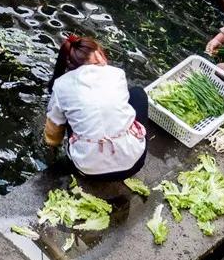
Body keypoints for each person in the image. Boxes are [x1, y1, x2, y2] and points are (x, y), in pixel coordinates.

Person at [42, 35, 148, 181]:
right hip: (134, 164)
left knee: (65, 114)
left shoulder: (61, 85)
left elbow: (53, 127)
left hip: (87, 171)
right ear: (98, 54)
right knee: (138, 94)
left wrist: (52, 147)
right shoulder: (117, 74)